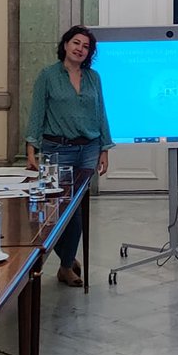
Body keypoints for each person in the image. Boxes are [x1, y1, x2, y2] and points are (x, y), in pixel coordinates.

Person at [25, 25, 112, 287]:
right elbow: (37, 112)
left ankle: (65, 265)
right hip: (57, 149)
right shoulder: (48, 76)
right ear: (65, 44)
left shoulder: (93, 77)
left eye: (86, 47)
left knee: (77, 209)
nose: (80, 49)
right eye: (76, 43)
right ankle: (67, 256)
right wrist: (31, 146)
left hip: (88, 148)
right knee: (60, 210)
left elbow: (101, 113)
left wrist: (105, 148)